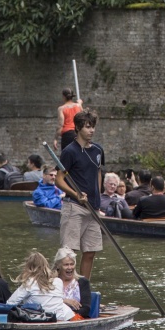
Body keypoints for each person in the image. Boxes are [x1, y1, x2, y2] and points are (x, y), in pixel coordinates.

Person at [60, 109, 105, 280]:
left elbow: (98, 172)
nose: (91, 130)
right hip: (74, 206)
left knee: (90, 252)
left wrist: (98, 196)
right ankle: (65, 290)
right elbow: (59, 180)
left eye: (93, 127)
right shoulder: (70, 152)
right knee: (68, 254)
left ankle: (83, 289)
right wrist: (75, 194)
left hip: (93, 208)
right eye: (87, 127)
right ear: (78, 128)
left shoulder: (98, 150)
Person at [7, 251, 76, 321]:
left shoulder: (29, 283)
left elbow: (10, 303)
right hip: (60, 319)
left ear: (28, 267)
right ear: (46, 265)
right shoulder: (58, 281)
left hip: (40, 319)